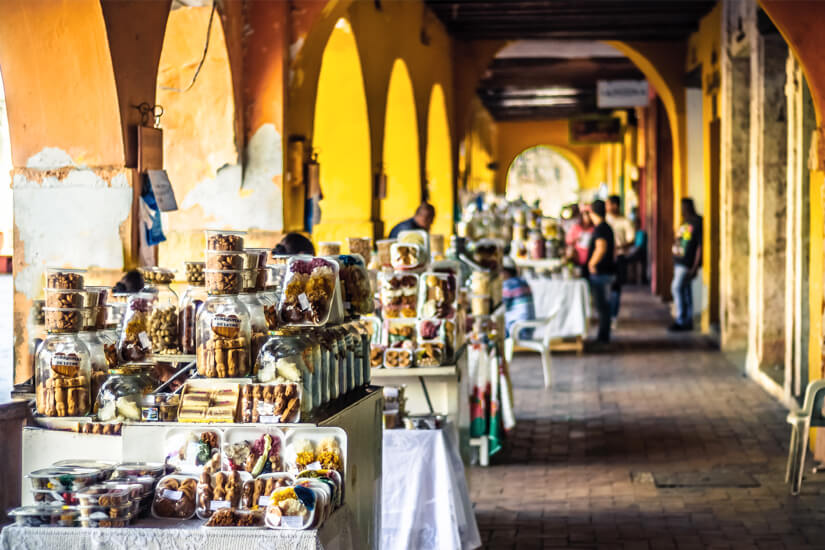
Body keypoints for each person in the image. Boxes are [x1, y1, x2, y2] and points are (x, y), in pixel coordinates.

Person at [669, 198, 703, 331]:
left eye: (685, 207)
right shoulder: (685, 222)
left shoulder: (698, 222)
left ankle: (681, 318)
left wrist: (695, 266)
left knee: (676, 287)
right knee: (685, 290)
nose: (683, 210)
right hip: (679, 261)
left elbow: (700, 246)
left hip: (686, 263)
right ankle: (687, 319)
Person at [587, 199, 616, 344]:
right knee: (604, 305)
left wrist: (592, 263)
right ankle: (604, 334)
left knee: (602, 305)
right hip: (607, 271)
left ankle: (603, 336)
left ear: (592, 213)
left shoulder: (600, 229)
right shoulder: (607, 227)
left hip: (602, 272)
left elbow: (601, 247)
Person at [606, 195, 634, 326]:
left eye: (609, 204)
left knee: (616, 287)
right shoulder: (604, 220)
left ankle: (613, 316)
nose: (607, 207)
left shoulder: (625, 221)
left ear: (615, 205)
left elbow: (631, 240)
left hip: (619, 256)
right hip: (606, 257)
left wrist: (618, 247)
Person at [501, 257, 535, 340]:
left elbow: (502, 306)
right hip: (528, 329)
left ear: (505, 272)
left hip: (518, 330)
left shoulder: (509, 284)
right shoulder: (523, 281)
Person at [564, 205, 594, 276]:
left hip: (590, 258)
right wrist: (576, 239)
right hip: (577, 258)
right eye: (585, 215)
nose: (587, 218)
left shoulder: (594, 228)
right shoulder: (576, 227)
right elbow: (568, 241)